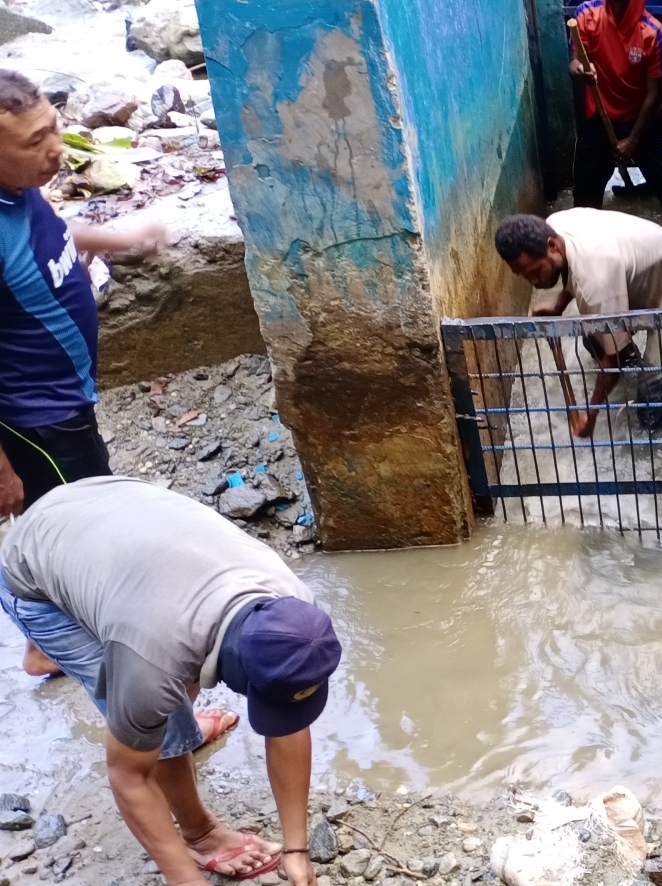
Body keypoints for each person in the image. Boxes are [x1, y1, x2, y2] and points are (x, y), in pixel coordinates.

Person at [1, 476, 341, 886]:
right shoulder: (152, 658)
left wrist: (297, 849)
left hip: (106, 514)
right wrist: (185, 879)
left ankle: (145, 716)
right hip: (31, 570)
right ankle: (200, 834)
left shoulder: (296, 613)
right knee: (163, 723)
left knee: (161, 703)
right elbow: (129, 777)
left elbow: (288, 713)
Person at [0, 68, 166, 517]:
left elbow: (46, 238)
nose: (56, 148)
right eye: (35, 142)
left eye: (53, 127)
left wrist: (118, 240)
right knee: (88, 526)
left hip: (68, 400)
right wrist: (2, 471)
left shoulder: (20, 188)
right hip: (40, 421)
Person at [493, 210, 662, 436]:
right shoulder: (553, 227)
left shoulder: (595, 280)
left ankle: (659, 434)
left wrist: (590, 416)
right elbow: (574, 269)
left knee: (652, 395)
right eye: (525, 276)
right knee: (593, 338)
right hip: (639, 273)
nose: (533, 282)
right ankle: (629, 360)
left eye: (535, 272)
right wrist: (558, 304)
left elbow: (590, 280)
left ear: (552, 245)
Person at [570, 0, 662, 215]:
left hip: (646, 123)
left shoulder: (654, 33)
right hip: (600, 120)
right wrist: (581, 70)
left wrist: (633, 140)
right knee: (583, 208)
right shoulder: (587, 14)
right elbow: (575, 63)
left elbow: (654, 95)